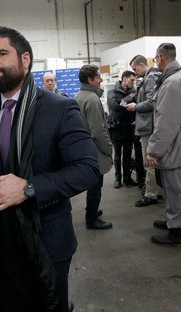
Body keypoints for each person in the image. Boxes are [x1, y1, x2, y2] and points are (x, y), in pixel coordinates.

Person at [0, 26, 99, 312]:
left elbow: (88, 169)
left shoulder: (59, 109)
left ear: (25, 59)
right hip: (0, 238)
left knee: (50, 309)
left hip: (48, 237)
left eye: (1, 53)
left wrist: (29, 188)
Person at [146, 43, 181, 247]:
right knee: (172, 187)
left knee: (173, 187)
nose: (155, 61)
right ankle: (174, 220)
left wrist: (153, 150)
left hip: (172, 143)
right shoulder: (178, 78)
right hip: (176, 140)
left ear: (160, 57)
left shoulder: (171, 83)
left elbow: (166, 122)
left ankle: (176, 232)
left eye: (155, 58)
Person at [74, 65, 113, 230]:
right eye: (98, 77)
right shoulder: (92, 99)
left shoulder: (79, 96)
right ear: (90, 80)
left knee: (93, 184)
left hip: (85, 149)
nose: (101, 80)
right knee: (96, 186)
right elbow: (98, 130)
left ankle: (92, 211)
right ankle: (91, 219)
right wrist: (109, 149)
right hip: (95, 149)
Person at [126, 55, 163, 207]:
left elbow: (151, 102)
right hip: (149, 125)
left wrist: (135, 107)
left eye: (135, 69)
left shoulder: (150, 79)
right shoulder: (153, 78)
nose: (134, 73)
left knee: (149, 163)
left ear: (141, 65)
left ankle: (151, 194)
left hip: (148, 128)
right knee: (154, 162)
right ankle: (156, 190)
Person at [107, 70, 137, 189]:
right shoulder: (112, 91)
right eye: (131, 80)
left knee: (128, 155)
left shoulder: (133, 92)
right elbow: (115, 105)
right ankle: (118, 179)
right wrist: (129, 98)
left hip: (129, 128)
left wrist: (124, 101)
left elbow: (122, 104)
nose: (133, 83)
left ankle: (127, 178)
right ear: (124, 79)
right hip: (116, 128)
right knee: (118, 155)